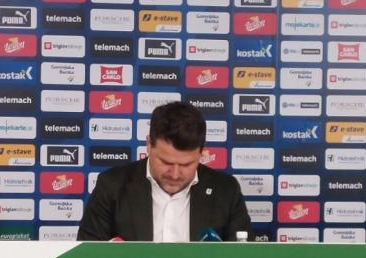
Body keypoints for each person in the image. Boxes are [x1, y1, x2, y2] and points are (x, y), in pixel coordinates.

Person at [77, 101, 251, 241]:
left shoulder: (226, 190)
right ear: (149, 145)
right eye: (166, 162)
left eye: (186, 165)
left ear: (201, 153)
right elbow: (88, 257)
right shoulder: (112, 186)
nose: (175, 174)